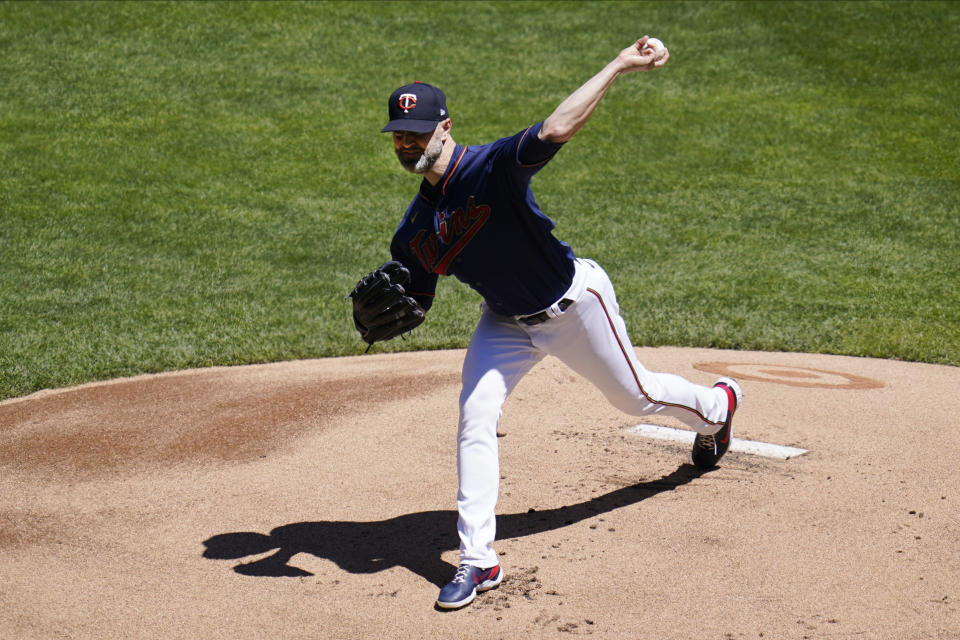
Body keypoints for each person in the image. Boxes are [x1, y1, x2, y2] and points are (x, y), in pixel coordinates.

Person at [377, 36, 743, 610]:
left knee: (637, 397)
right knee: (475, 414)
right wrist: (390, 309)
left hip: (576, 304)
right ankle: (478, 562)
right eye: (400, 135)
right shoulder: (412, 231)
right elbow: (416, 296)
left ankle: (719, 408)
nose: (408, 143)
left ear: (444, 128)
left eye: (418, 132)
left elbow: (555, 128)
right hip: (504, 322)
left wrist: (620, 64)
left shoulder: (491, 166)